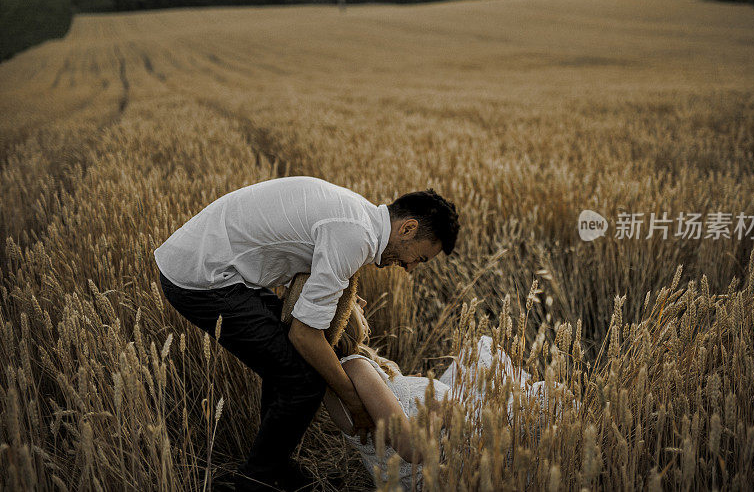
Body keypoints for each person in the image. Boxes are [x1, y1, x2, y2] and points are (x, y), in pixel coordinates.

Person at [153, 176, 460, 491]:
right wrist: (353, 400)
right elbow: (304, 335)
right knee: (304, 380)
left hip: (213, 264)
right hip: (202, 276)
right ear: (408, 229)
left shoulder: (357, 216)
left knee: (288, 364)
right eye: (419, 258)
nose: (409, 268)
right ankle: (253, 482)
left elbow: (302, 289)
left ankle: (274, 464)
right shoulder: (355, 235)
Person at [280, 274, 568, 491]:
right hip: (443, 457)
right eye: (354, 298)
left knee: (478, 354)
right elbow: (410, 448)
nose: (364, 302)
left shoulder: (330, 376)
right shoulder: (356, 369)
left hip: (423, 462)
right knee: (551, 397)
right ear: (340, 314)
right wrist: (440, 410)